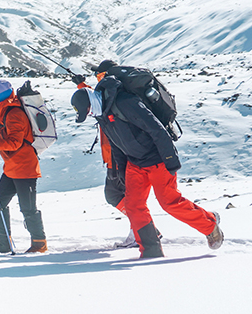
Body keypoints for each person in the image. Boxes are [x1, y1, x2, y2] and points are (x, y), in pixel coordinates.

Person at [71, 77, 224, 258]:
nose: (90, 114)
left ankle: (209, 225)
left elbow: (155, 128)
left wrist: (170, 157)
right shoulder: (102, 115)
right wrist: (121, 171)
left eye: (88, 111)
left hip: (157, 159)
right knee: (133, 206)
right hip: (135, 163)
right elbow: (116, 146)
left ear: (91, 101)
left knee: (169, 202)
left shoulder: (124, 102)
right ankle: (151, 251)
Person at [0, 79, 47, 254]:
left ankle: (39, 243)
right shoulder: (4, 112)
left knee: (28, 209)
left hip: (25, 168)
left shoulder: (14, 113)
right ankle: (4, 242)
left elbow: (14, 143)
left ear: (0, 96)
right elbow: (4, 142)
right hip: (12, 168)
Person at [70, 63, 136, 248]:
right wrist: (81, 85)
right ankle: (142, 228)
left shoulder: (112, 92)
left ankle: (143, 229)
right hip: (118, 153)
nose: (97, 78)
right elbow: (95, 98)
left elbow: (98, 99)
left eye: (98, 74)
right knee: (121, 194)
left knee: (116, 194)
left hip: (117, 154)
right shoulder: (115, 90)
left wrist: (82, 86)